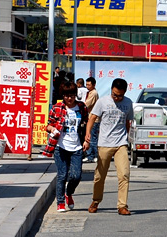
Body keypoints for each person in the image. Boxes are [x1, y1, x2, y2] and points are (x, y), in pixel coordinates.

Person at [84, 78, 134, 216]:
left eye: (120, 96)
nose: (117, 98)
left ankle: (122, 205)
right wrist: (87, 133)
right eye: (114, 94)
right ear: (111, 90)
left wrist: (127, 138)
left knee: (124, 174)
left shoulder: (128, 103)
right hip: (104, 143)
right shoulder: (103, 102)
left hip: (121, 143)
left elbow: (128, 122)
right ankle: (96, 200)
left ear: (125, 93)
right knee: (99, 176)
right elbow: (92, 118)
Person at [44, 81, 88, 212]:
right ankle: (60, 202)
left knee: (76, 175)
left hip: (77, 147)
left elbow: (86, 123)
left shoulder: (81, 107)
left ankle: (68, 193)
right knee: (62, 175)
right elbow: (48, 125)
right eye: (67, 95)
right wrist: (52, 129)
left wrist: (87, 139)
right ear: (63, 95)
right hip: (61, 146)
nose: (69, 98)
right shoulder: (57, 107)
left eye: (72, 95)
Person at [82, 77, 100, 163]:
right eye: (86, 84)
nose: (87, 86)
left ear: (94, 85)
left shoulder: (93, 93)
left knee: (91, 138)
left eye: (89, 85)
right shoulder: (90, 92)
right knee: (91, 137)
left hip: (93, 119)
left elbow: (86, 104)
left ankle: (92, 156)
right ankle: (92, 155)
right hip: (90, 118)